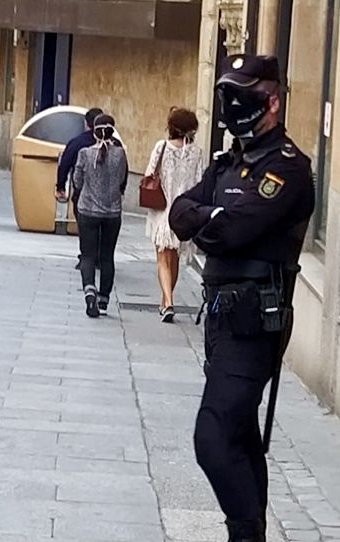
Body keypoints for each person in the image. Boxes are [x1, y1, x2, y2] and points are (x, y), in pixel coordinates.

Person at [169, 54, 315, 542]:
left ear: (272, 102)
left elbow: (228, 232)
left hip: (256, 320)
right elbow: (179, 212)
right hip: (220, 316)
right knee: (240, 436)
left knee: (213, 437)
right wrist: (211, 218)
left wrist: (211, 220)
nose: (233, 105)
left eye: (244, 96)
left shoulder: (287, 168)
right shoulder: (229, 163)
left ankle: (245, 534)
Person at [145, 107, 206, 322]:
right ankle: (165, 302)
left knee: (162, 258)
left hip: (163, 209)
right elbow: (200, 182)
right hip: (184, 212)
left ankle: (168, 303)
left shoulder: (161, 147)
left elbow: (149, 173)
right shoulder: (197, 153)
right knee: (175, 259)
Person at [72, 114, 128, 318]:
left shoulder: (84, 154)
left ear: (94, 132)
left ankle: (89, 292)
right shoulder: (120, 155)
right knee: (107, 256)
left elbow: (77, 181)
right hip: (112, 212)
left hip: (87, 210)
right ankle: (104, 299)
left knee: (88, 255)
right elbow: (122, 179)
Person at [57, 107, 121, 269]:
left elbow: (65, 164)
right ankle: (100, 258)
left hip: (85, 199)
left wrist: (61, 186)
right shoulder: (118, 148)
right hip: (111, 201)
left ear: (87, 124)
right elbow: (123, 172)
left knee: (86, 231)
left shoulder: (78, 144)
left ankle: (87, 257)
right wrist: (120, 189)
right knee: (106, 237)